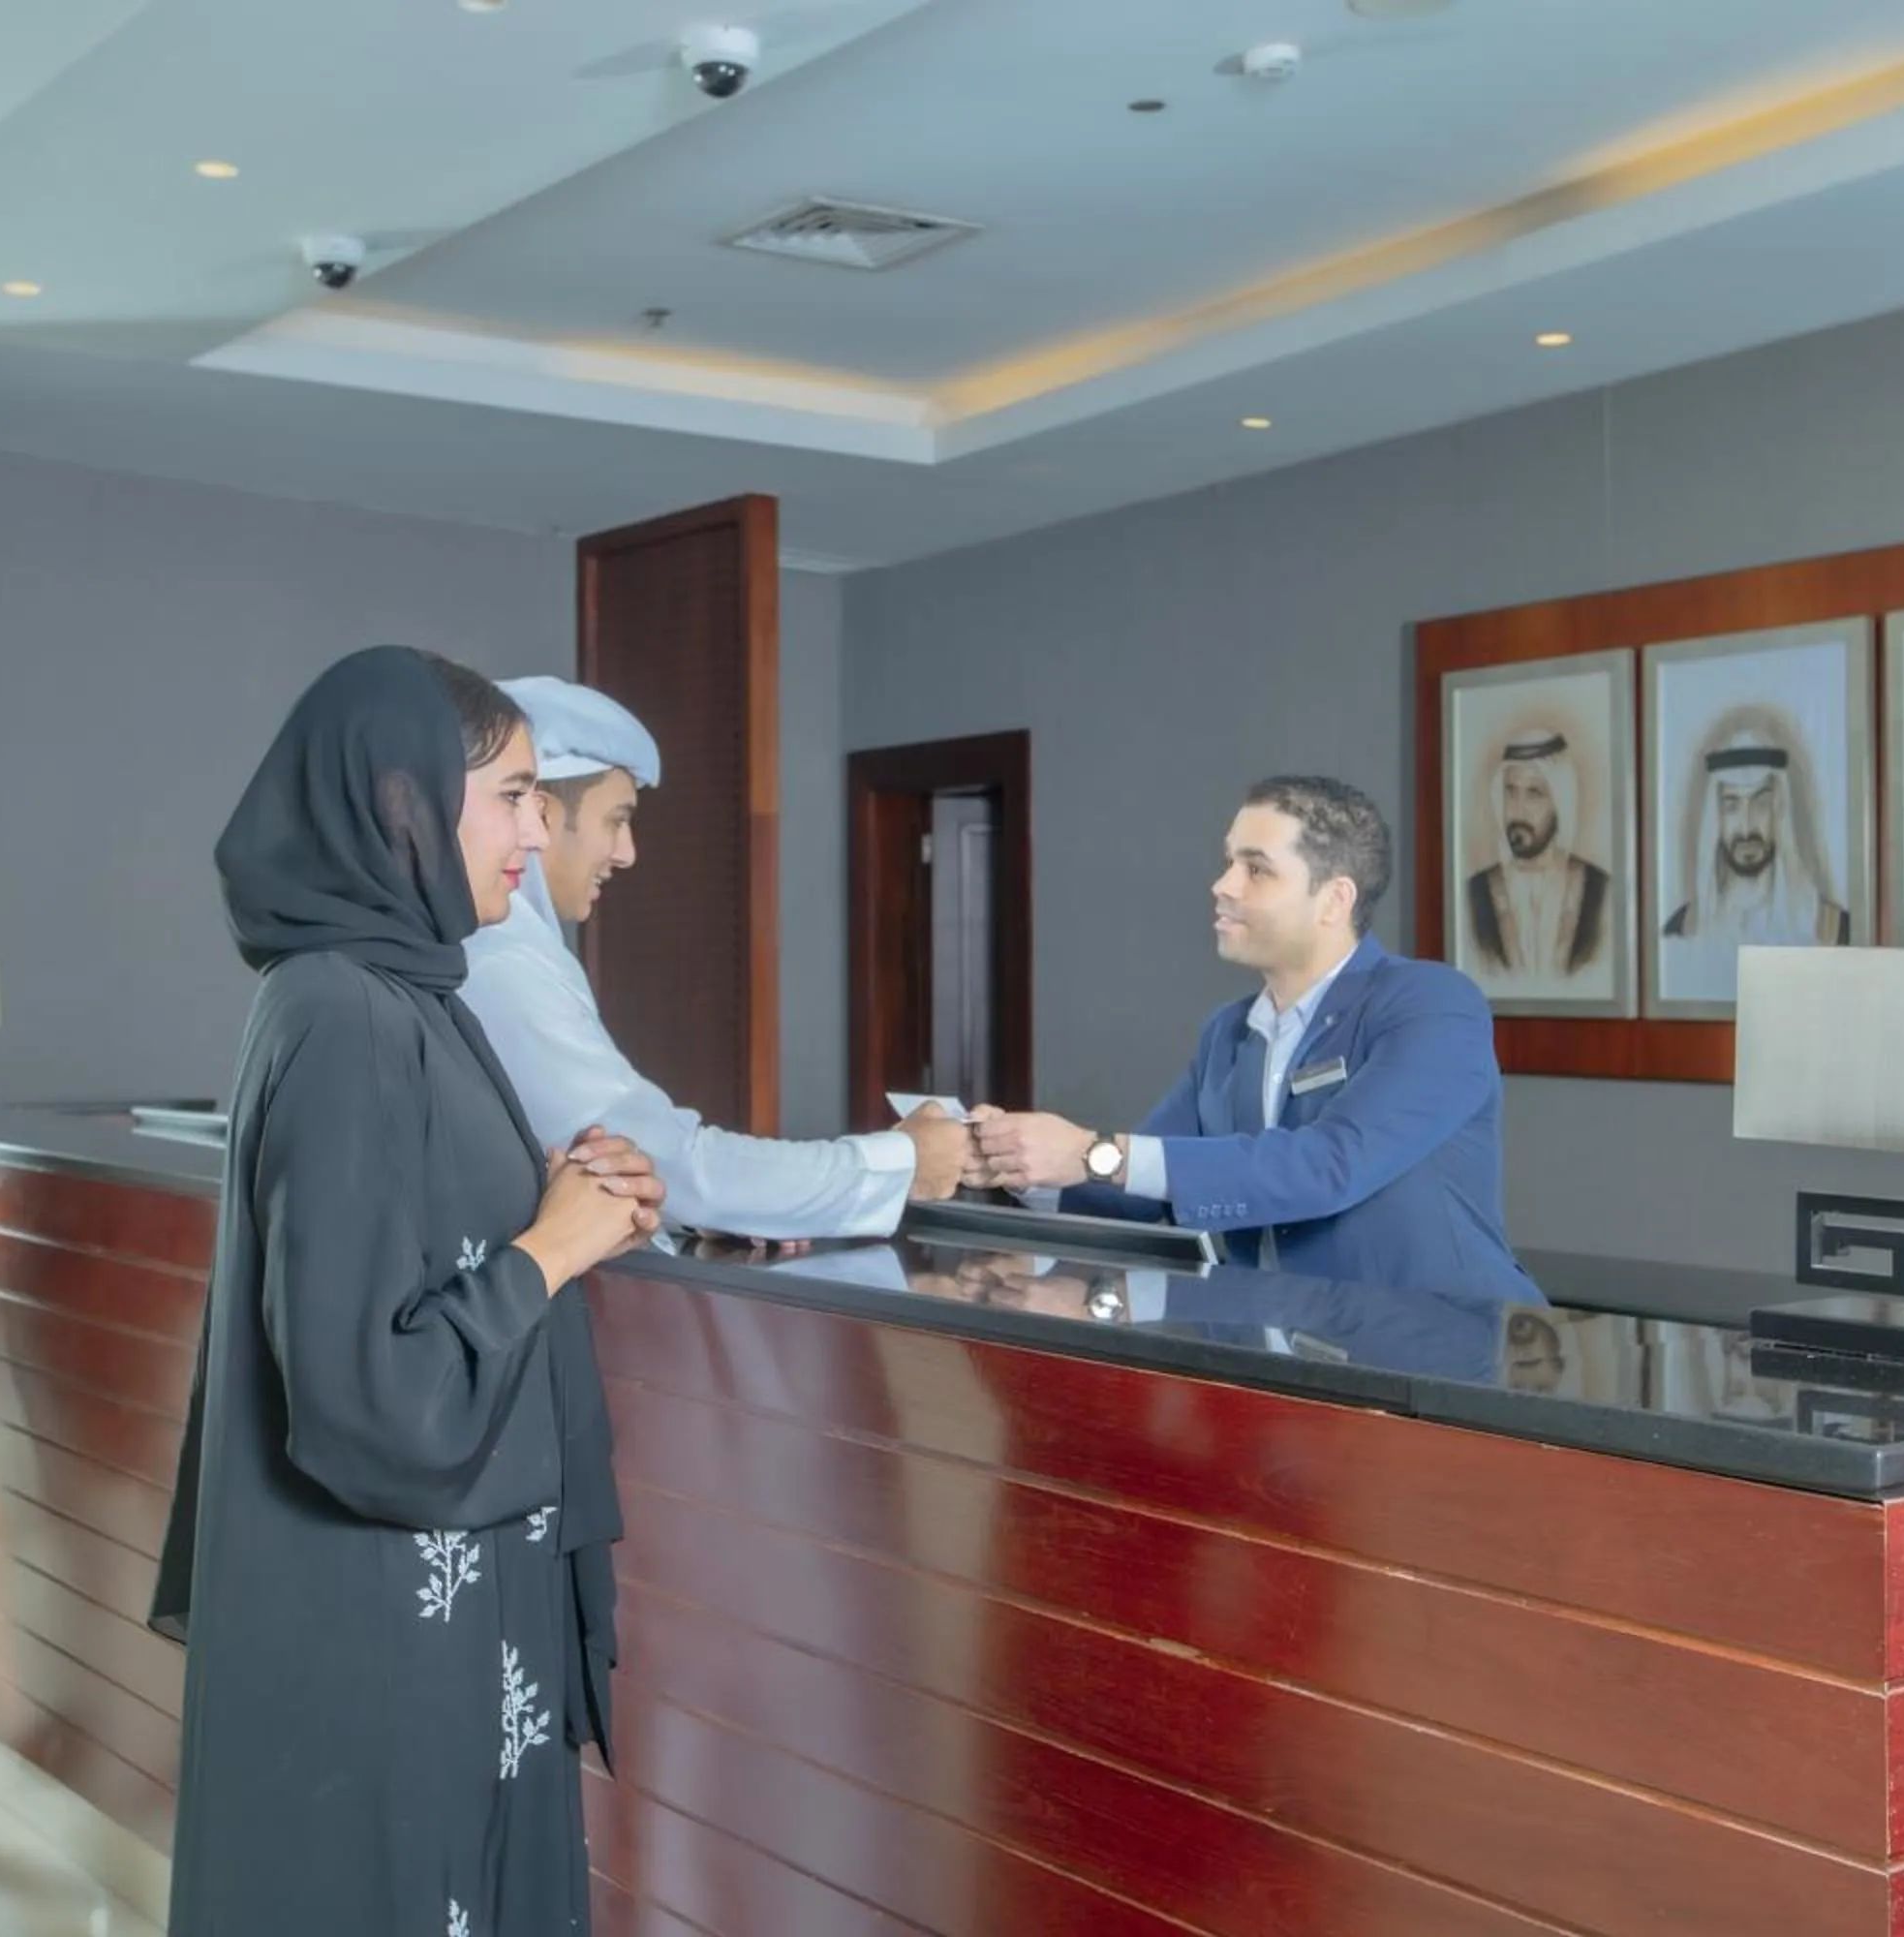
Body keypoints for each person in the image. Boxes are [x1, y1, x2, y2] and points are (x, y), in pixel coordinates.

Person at [149, 646, 664, 1937]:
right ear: (400, 805)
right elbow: (368, 1391)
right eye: (508, 795)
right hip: (382, 1618)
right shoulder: (344, 1012)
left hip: (434, 1606)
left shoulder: (401, 991)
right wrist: (550, 1247)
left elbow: (402, 1236)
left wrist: (549, 1198)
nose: (534, 830)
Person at [973, 776, 1541, 1307]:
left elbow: (1330, 1166)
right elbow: (1143, 1189)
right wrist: (1019, 1163)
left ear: (1334, 900)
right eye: (1228, 862)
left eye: (1256, 869)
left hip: (1442, 1361)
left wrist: (1090, 1153)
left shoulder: (1433, 1003)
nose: (1222, 886)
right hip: (1289, 1355)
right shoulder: (1229, 1031)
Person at [459, 675, 969, 1240]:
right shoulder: (497, 962)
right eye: (618, 819)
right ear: (543, 814)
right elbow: (661, 1160)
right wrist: (902, 1163)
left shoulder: (517, 951)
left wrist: (732, 1210)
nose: (627, 853)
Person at [1659, 714, 1849, 993]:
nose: (1747, 828)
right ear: (1716, 817)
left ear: (1779, 810)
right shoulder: (1682, 929)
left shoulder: (1834, 929)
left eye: (1760, 802)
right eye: (1732, 805)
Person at [1464, 729, 1612, 980]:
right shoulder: (1475, 892)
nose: (1517, 810)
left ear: (1559, 803)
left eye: (1534, 794)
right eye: (1510, 792)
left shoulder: (1599, 890)